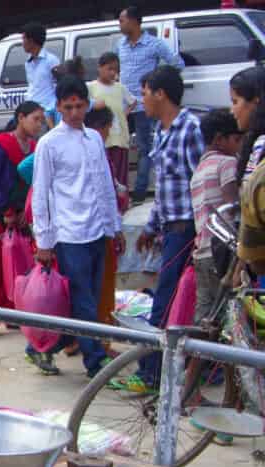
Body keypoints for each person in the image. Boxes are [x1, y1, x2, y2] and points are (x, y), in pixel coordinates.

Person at [29, 76, 124, 378]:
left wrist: (114, 225)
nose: (73, 113)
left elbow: (104, 186)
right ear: (57, 107)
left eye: (79, 106)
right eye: (67, 107)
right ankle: (94, 363)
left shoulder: (94, 139)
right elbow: (41, 193)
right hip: (69, 235)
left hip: (97, 231)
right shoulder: (49, 144)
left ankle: (41, 347)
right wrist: (43, 241)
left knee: (89, 301)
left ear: (87, 105)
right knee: (83, 300)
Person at [118, 66, 204, 393]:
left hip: (187, 231)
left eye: (145, 93)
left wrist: (200, 237)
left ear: (161, 94)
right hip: (169, 230)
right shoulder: (161, 131)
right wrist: (150, 228)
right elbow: (165, 188)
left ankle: (152, 373)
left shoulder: (190, 129)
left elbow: (201, 184)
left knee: (165, 303)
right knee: (166, 299)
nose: (142, 100)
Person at [0, 101, 44, 336]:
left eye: (41, 120)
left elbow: (35, 185)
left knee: (17, 263)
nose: (39, 124)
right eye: (35, 119)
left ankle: (13, 312)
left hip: (18, 215)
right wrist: (7, 212)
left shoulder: (35, 148)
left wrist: (24, 213)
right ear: (21, 118)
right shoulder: (1, 146)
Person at [118, 5, 184, 204]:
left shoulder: (154, 44)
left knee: (145, 149)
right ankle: (121, 192)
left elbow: (177, 63)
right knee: (119, 147)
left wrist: (157, 84)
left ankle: (138, 192)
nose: (119, 24)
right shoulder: (119, 45)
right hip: (123, 107)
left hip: (143, 106)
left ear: (135, 21)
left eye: (122, 20)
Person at [189, 109, 242, 323]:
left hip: (201, 253)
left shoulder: (199, 170)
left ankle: (191, 355)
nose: (240, 146)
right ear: (220, 139)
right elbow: (233, 207)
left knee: (205, 316)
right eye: (237, 139)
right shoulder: (227, 163)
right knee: (228, 317)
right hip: (222, 254)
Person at [85, 106, 130, 331]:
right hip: (94, 229)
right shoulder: (90, 149)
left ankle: (89, 339)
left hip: (98, 227)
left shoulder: (97, 150)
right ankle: (98, 339)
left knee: (93, 287)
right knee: (99, 286)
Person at [88, 51, 137, 188]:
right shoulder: (91, 87)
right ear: (100, 67)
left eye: (115, 69)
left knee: (120, 174)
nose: (112, 73)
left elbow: (133, 102)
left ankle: (121, 202)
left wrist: (124, 114)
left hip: (119, 137)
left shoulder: (120, 88)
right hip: (101, 138)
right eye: (109, 68)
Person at [21, 22, 60, 129]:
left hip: (45, 113)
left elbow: (60, 85)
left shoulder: (51, 60)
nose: (22, 43)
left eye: (24, 39)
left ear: (31, 41)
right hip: (30, 111)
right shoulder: (28, 63)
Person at [230, 66, 265, 184]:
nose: (232, 111)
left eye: (235, 102)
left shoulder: (262, 144)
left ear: (256, 102)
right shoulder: (255, 143)